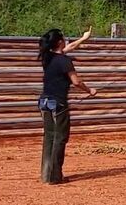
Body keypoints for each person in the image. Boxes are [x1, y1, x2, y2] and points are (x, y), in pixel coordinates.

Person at [37, 27, 96, 184]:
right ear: (59, 42)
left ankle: (45, 174)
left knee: (49, 137)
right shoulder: (64, 61)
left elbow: (69, 48)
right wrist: (90, 90)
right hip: (58, 103)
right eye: (63, 39)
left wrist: (84, 38)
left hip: (44, 102)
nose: (66, 41)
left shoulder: (47, 57)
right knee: (60, 138)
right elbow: (76, 81)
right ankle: (55, 176)